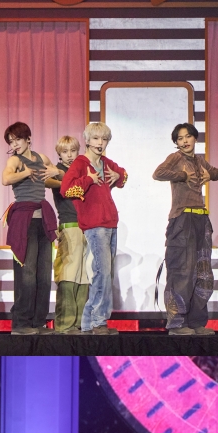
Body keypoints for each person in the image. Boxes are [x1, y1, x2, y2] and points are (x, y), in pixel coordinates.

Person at [153, 123, 218, 337]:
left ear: (195, 138)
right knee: (182, 270)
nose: (184, 141)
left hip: (201, 218)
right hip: (182, 218)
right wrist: (181, 175)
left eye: (188, 136)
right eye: (180, 138)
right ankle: (176, 323)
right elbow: (158, 173)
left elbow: (217, 172)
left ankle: (196, 322)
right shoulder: (176, 158)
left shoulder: (199, 160)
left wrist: (210, 175)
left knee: (202, 271)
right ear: (176, 142)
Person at [60, 122, 127, 335]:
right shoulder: (80, 163)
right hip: (95, 225)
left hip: (110, 223)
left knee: (106, 274)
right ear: (87, 141)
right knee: (102, 273)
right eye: (96, 138)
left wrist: (119, 176)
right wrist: (88, 179)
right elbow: (66, 190)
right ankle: (97, 320)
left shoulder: (106, 163)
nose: (100, 143)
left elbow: (123, 174)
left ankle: (92, 322)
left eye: (104, 139)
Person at [2, 121, 60, 336]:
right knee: (27, 273)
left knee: (43, 274)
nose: (14, 144)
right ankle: (21, 323)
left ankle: (38, 322)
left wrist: (58, 175)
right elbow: (6, 178)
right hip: (24, 221)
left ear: (28, 139)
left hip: (42, 220)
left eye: (17, 139)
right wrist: (25, 173)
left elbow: (52, 180)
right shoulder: (15, 160)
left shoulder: (41, 158)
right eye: (11, 142)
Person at [45, 135, 89, 335]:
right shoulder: (56, 170)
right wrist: (63, 175)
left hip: (88, 226)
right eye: (65, 152)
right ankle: (65, 323)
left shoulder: (83, 169)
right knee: (68, 274)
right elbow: (48, 182)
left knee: (84, 275)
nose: (70, 155)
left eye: (73, 151)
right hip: (69, 225)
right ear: (59, 154)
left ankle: (80, 321)